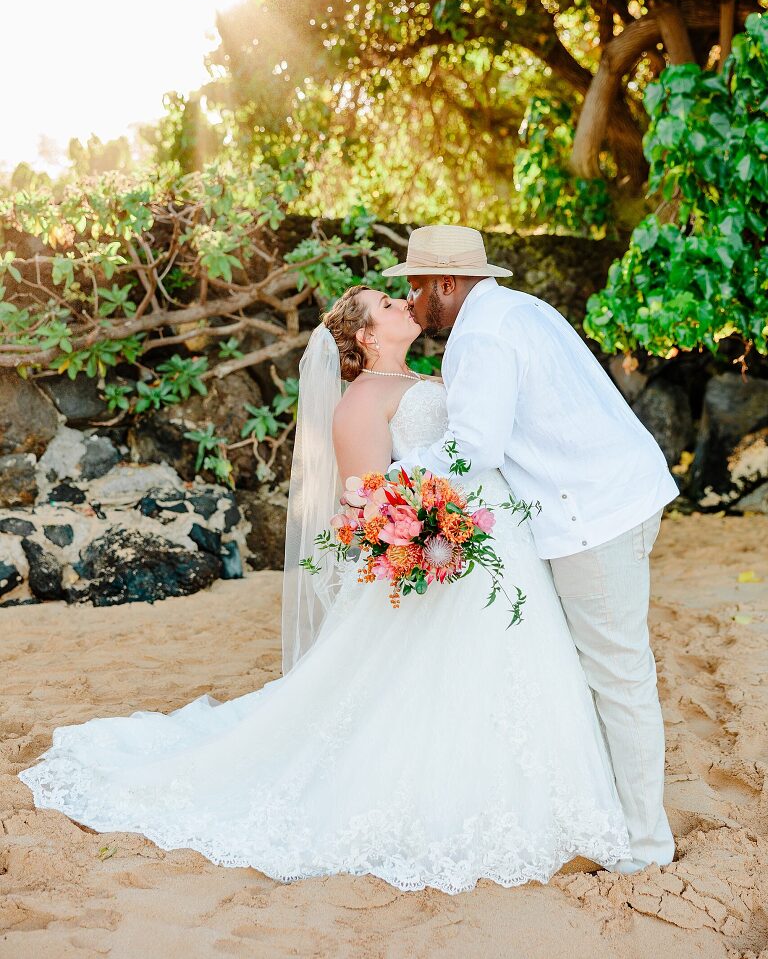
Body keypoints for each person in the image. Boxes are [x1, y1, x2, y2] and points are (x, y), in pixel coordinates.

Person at [19, 267, 633, 893]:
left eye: (400, 295)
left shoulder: (431, 376)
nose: (405, 302)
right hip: (441, 550)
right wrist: (424, 537)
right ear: (365, 337)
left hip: (489, 545)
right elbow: (370, 502)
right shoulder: (361, 400)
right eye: (387, 302)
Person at [382, 223, 679, 874]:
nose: (410, 299)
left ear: (447, 283)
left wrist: (395, 481)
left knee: (620, 677)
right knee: (607, 672)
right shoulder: (518, 311)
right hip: (614, 495)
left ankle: (646, 848)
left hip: (593, 514)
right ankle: (619, 821)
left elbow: (473, 448)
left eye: (416, 286)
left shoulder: (483, 334)